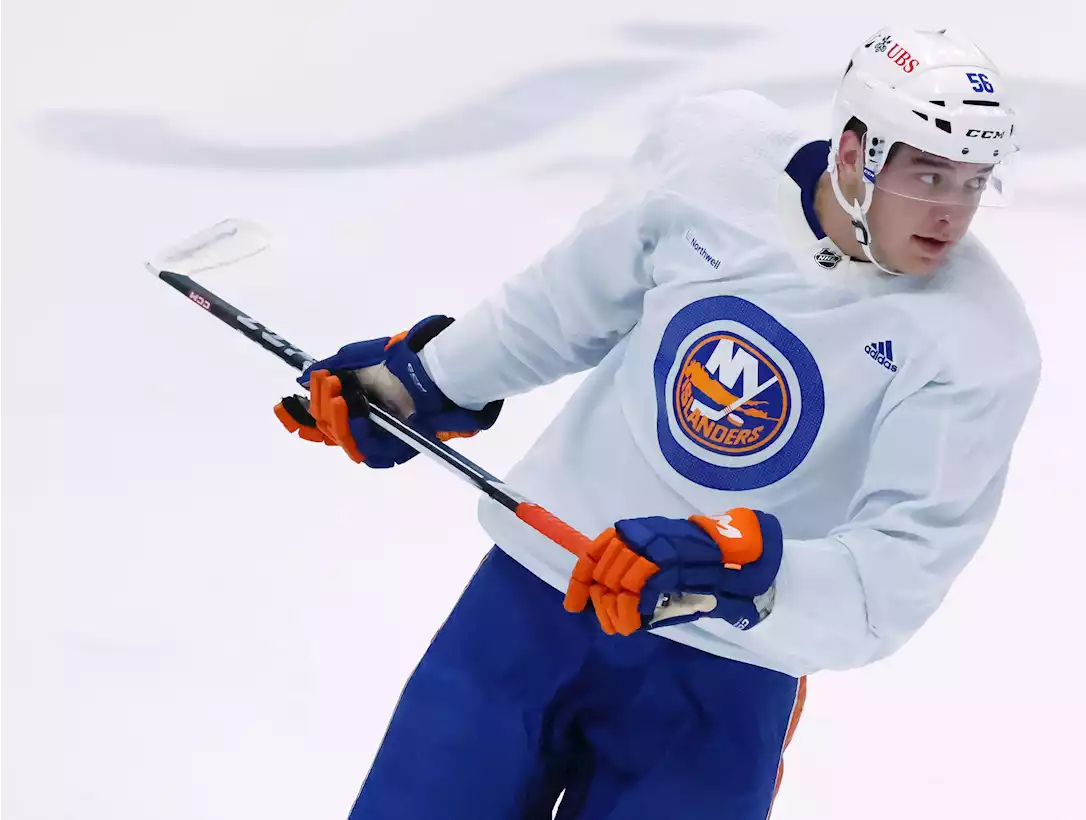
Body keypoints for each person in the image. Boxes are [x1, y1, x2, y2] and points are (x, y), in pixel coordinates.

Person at [275, 24, 1040, 820]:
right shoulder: (713, 162)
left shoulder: (974, 344)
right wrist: (423, 382)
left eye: (973, 182)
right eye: (929, 173)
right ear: (854, 153)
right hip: (538, 599)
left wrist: (740, 566)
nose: (952, 212)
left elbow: (896, 576)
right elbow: (566, 302)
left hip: (723, 680)